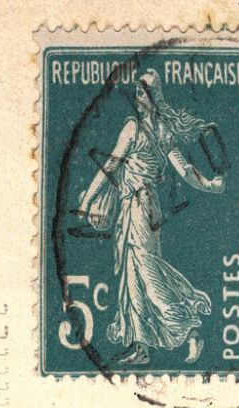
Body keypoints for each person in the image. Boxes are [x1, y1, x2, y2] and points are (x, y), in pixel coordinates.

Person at [74, 71, 225, 367]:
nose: (138, 97)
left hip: (139, 209)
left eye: (143, 92)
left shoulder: (135, 129)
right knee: (133, 276)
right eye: (137, 92)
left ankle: (190, 326)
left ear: (153, 96)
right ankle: (140, 345)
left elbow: (110, 166)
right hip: (139, 208)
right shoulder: (161, 131)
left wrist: (88, 201)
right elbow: (181, 170)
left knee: (145, 271)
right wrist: (207, 184)